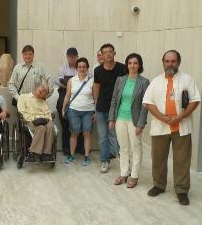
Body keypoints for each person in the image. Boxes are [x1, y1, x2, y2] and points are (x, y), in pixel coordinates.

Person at [143, 50, 200, 205]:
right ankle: (159, 185)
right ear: (163, 62)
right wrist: (162, 117)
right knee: (158, 159)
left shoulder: (187, 79)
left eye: (173, 61)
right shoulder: (156, 81)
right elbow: (148, 102)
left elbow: (195, 101)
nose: (170, 64)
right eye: (167, 61)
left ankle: (182, 190)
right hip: (160, 127)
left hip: (181, 126)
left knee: (182, 160)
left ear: (178, 62)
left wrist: (180, 117)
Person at [108, 53, 149, 188]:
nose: (132, 65)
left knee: (135, 148)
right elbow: (114, 100)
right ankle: (124, 173)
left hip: (135, 120)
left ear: (139, 65)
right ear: (127, 65)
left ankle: (134, 175)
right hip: (120, 118)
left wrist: (141, 124)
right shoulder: (120, 80)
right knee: (123, 148)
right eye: (130, 63)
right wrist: (111, 118)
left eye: (135, 63)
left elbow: (145, 105)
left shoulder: (144, 82)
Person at [93, 43, 127, 173]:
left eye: (110, 51)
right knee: (103, 137)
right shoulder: (98, 70)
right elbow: (96, 87)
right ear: (102, 54)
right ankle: (104, 161)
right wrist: (96, 104)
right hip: (102, 108)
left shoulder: (122, 68)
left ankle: (123, 161)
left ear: (114, 53)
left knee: (119, 135)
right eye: (105, 52)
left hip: (118, 108)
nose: (108, 54)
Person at [62, 57, 95, 166]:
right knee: (74, 133)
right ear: (76, 68)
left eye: (84, 67)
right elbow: (67, 96)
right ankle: (71, 155)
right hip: (73, 111)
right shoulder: (71, 80)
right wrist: (63, 108)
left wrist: (96, 112)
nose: (82, 69)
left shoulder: (92, 81)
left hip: (88, 111)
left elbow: (96, 98)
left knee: (87, 134)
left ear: (87, 68)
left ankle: (86, 156)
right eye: (80, 67)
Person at [17, 85, 54, 162]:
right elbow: (21, 112)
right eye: (42, 87)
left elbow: (49, 115)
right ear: (36, 87)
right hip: (30, 121)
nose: (42, 90)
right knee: (41, 128)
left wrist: (45, 119)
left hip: (43, 121)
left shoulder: (43, 102)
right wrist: (34, 119)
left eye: (45, 91)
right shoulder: (23, 97)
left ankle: (46, 153)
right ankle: (33, 153)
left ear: (45, 95)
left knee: (50, 125)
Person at [55, 47, 78, 155]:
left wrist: (67, 81)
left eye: (74, 56)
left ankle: (79, 147)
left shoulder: (81, 67)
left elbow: (87, 79)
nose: (72, 58)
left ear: (77, 57)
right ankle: (65, 147)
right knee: (65, 124)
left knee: (78, 123)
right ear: (67, 57)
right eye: (70, 56)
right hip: (64, 94)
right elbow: (58, 81)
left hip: (78, 96)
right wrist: (73, 82)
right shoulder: (62, 68)